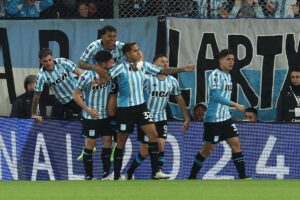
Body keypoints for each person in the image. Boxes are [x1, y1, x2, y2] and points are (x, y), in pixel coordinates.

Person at [98, 42, 195, 180]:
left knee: (154, 136)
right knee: (121, 141)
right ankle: (117, 175)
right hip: (125, 109)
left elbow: (163, 71)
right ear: (127, 54)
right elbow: (107, 77)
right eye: (135, 51)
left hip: (141, 107)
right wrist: (101, 80)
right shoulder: (120, 68)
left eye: (139, 50)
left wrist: (183, 69)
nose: (138, 53)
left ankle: (156, 172)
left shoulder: (144, 65)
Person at [125, 54, 191, 180]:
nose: (165, 63)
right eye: (162, 61)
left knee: (161, 145)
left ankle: (157, 172)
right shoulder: (146, 78)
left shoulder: (172, 81)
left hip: (161, 118)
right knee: (144, 152)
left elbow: (179, 99)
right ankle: (130, 172)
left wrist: (186, 117)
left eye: (167, 61)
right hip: (145, 119)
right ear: (154, 65)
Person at [188, 49, 249, 180]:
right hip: (214, 119)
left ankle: (243, 177)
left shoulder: (228, 76)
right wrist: (235, 104)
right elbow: (215, 96)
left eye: (233, 60)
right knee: (207, 150)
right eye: (228, 59)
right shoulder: (215, 75)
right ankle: (192, 177)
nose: (231, 62)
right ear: (220, 60)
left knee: (236, 144)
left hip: (226, 118)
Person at [73, 50, 116, 180]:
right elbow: (75, 95)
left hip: (106, 117)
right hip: (91, 117)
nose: (113, 63)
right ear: (103, 63)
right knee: (90, 144)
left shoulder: (112, 74)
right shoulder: (86, 76)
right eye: (110, 61)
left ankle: (106, 174)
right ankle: (89, 176)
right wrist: (87, 109)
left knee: (108, 142)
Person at [31, 48, 82, 122]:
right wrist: (33, 114)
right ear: (41, 61)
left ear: (53, 58)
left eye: (50, 60)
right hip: (60, 101)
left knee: (83, 119)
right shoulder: (41, 75)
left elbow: (79, 72)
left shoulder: (62, 62)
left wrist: (84, 89)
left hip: (75, 96)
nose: (48, 63)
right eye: (45, 61)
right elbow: (36, 96)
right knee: (54, 125)